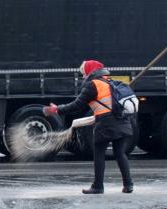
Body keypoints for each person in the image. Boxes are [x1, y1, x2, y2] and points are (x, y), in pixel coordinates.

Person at [43, 60, 134, 194]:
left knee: (99, 154)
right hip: (122, 121)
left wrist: (57, 109)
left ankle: (98, 186)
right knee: (120, 153)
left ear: (90, 72)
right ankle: (128, 185)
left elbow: (76, 105)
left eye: (84, 73)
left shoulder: (93, 84)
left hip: (106, 123)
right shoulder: (111, 81)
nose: (83, 76)